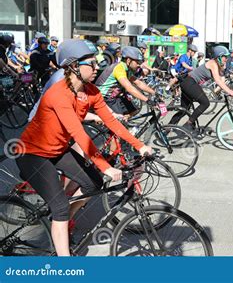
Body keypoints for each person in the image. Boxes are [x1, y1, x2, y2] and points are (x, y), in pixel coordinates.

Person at [16, 39, 152, 256]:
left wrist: (140, 145)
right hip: (32, 154)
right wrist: (106, 167)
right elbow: (79, 135)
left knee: (93, 183)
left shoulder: (91, 91)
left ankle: (61, 221)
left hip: (57, 150)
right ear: (73, 66)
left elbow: (111, 122)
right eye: (91, 62)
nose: (97, 66)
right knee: (59, 206)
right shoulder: (58, 94)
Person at [169, 46, 233, 131]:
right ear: (219, 56)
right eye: (225, 56)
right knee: (205, 103)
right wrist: (231, 92)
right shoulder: (213, 63)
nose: (226, 59)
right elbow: (218, 81)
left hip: (188, 82)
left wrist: (223, 70)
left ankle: (168, 128)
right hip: (189, 82)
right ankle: (188, 124)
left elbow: (222, 79)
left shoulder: (216, 65)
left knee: (184, 110)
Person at [95, 46, 156, 116]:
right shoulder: (119, 68)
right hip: (104, 97)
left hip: (114, 96)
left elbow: (138, 82)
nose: (139, 65)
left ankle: (124, 123)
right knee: (118, 119)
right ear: (128, 60)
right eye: (137, 62)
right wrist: (147, 100)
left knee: (134, 110)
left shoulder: (127, 69)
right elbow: (129, 88)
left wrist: (154, 93)